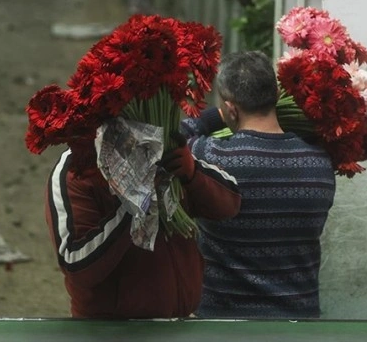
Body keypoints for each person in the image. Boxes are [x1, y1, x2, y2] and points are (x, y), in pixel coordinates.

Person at [180, 51, 336, 319]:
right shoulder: (319, 163)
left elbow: (175, 138)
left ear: (230, 108)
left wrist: (216, 116)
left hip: (222, 326)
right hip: (299, 325)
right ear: (275, 97)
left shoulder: (210, 156)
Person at [44, 136, 241, 318]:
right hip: (112, 332)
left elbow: (230, 204)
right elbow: (76, 267)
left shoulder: (161, 148)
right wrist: (134, 203)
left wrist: (192, 174)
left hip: (179, 323)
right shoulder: (77, 170)